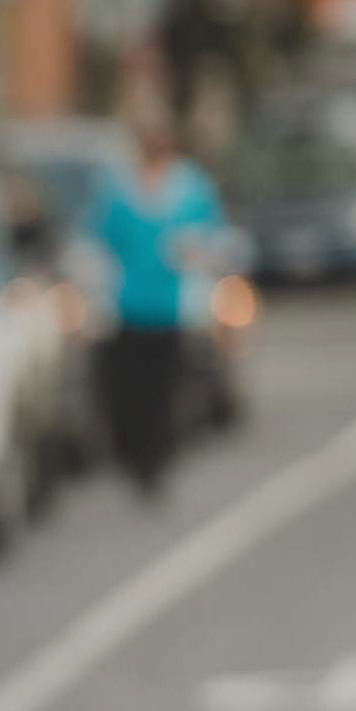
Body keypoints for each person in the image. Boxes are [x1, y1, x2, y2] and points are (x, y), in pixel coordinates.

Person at [89, 100, 227, 500]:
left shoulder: (190, 187)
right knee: (130, 390)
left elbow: (214, 237)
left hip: (171, 305)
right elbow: (102, 244)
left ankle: (156, 464)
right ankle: (132, 458)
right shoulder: (120, 189)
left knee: (165, 390)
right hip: (128, 305)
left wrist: (194, 252)